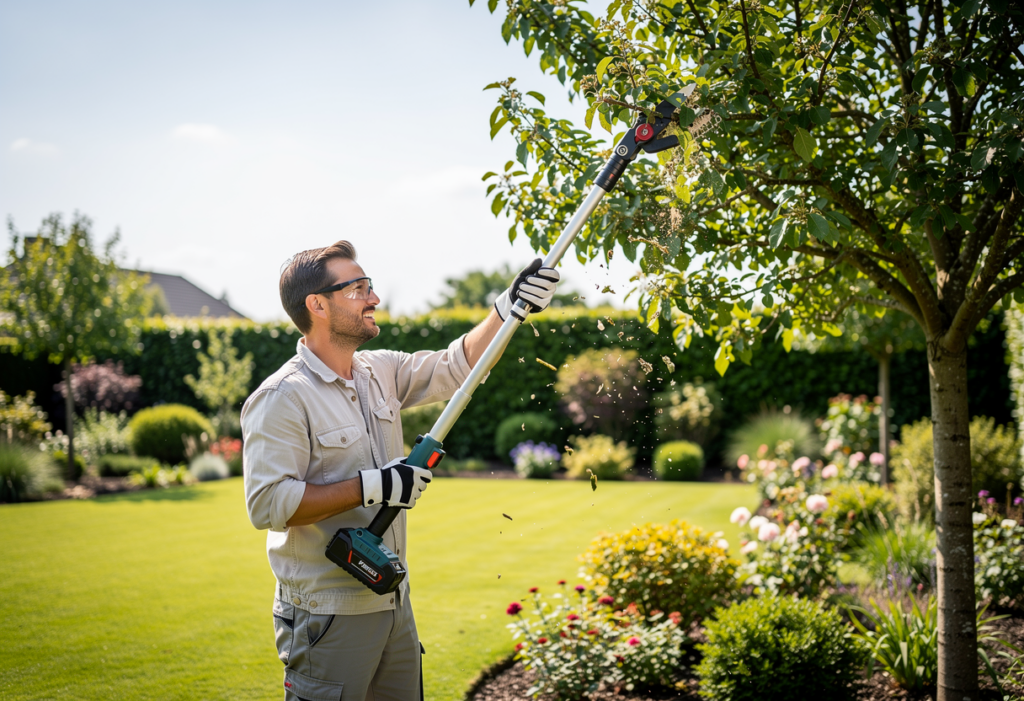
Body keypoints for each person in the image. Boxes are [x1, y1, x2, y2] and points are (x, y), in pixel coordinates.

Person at [241, 241, 559, 701]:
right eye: (358, 288)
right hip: (327, 614)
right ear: (317, 305)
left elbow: (458, 366)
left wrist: (507, 307)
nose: (373, 297)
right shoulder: (283, 398)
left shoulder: (379, 371)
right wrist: (374, 486)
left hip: (392, 599)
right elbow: (268, 504)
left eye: (369, 285)